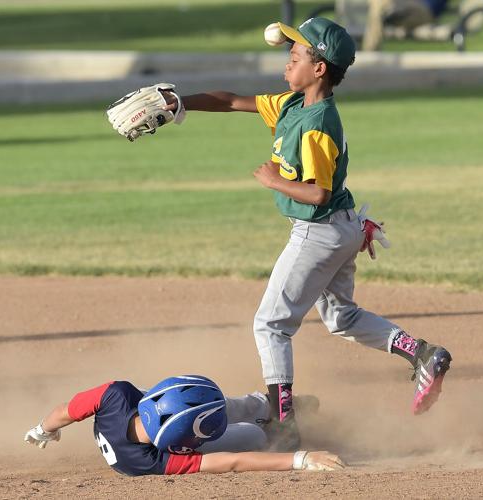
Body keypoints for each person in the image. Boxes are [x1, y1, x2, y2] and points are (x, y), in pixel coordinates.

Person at [160, 17, 452, 451]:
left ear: (319, 69)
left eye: (295, 56)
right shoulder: (294, 104)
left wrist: (273, 180)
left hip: (318, 231)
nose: (287, 61)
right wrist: (178, 103)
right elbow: (232, 101)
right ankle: (422, 353)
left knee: (270, 325)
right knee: (341, 317)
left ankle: (284, 421)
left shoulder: (317, 122)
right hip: (342, 227)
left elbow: (318, 192)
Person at [24, 375, 343, 475]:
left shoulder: (116, 396)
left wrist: (43, 429)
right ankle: (273, 423)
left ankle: (282, 403)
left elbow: (64, 411)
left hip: (168, 420)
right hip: (168, 432)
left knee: (216, 404)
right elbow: (230, 461)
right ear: (182, 443)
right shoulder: (150, 461)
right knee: (252, 433)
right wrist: (300, 458)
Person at [363, 0, 450, 51]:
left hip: (424, 10)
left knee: (379, 6)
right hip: (406, 11)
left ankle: (369, 55)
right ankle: (369, 57)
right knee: (379, 6)